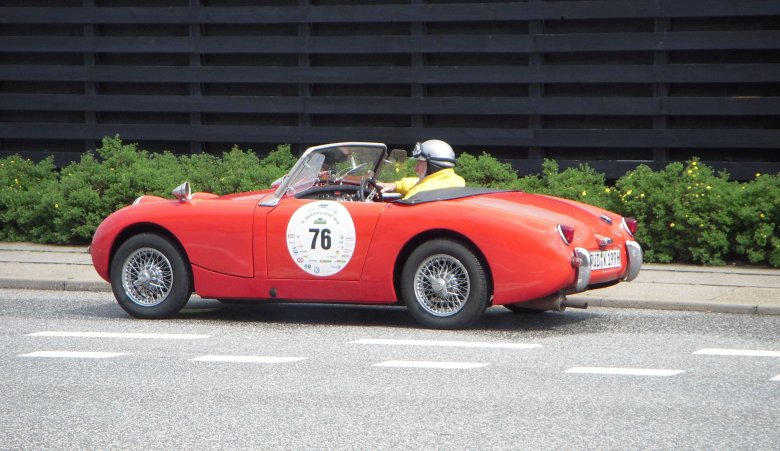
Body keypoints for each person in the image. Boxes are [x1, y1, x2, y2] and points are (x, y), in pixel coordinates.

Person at [379, 139, 465, 200]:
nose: (415, 168)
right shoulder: (455, 180)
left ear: (432, 165)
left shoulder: (420, 193)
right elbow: (423, 182)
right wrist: (396, 185)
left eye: (419, 163)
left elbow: (398, 214)